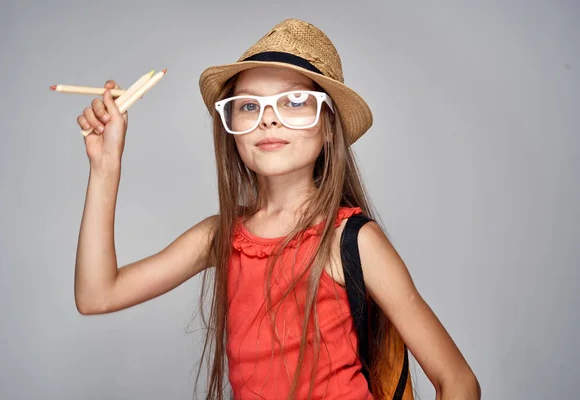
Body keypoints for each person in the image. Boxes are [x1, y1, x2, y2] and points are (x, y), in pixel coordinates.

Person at [74, 18, 480, 400]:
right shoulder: (221, 235)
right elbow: (97, 295)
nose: (268, 119)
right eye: (249, 106)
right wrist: (104, 166)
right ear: (230, 127)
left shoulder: (350, 240)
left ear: (328, 125)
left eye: (295, 101)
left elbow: (458, 381)